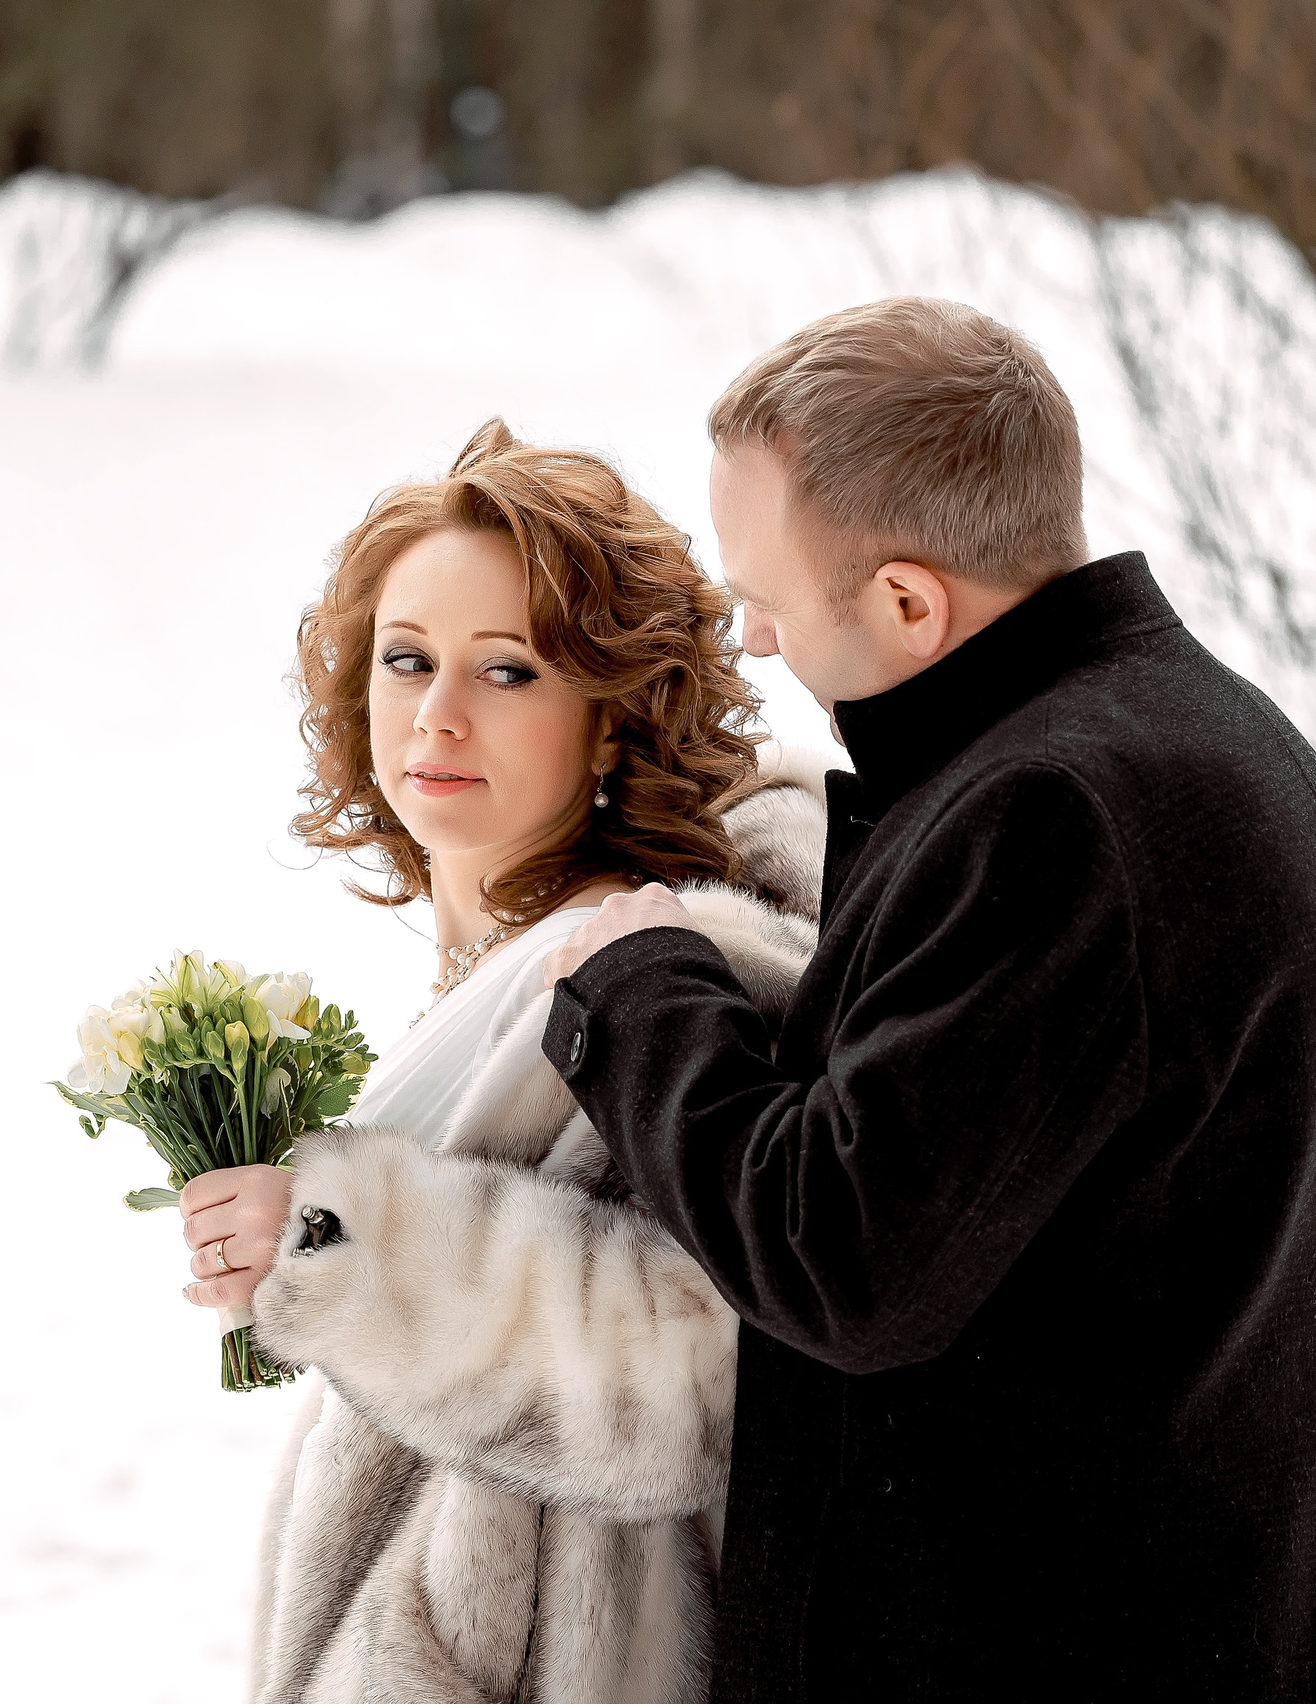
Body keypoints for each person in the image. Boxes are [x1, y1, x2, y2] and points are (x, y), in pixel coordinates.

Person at [539, 299, 1316, 1700]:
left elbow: (839, 1253)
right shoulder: (1206, 742)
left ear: (908, 602)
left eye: (765, 597)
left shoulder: (1061, 817)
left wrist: (645, 993)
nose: (755, 641)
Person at [173, 419, 826, 1703]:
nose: (439, 715)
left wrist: (339, 1244)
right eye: (405, 660)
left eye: (511, 672)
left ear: (613, 720)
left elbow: (700, 1373)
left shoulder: (656, 967)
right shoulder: (503, 963)